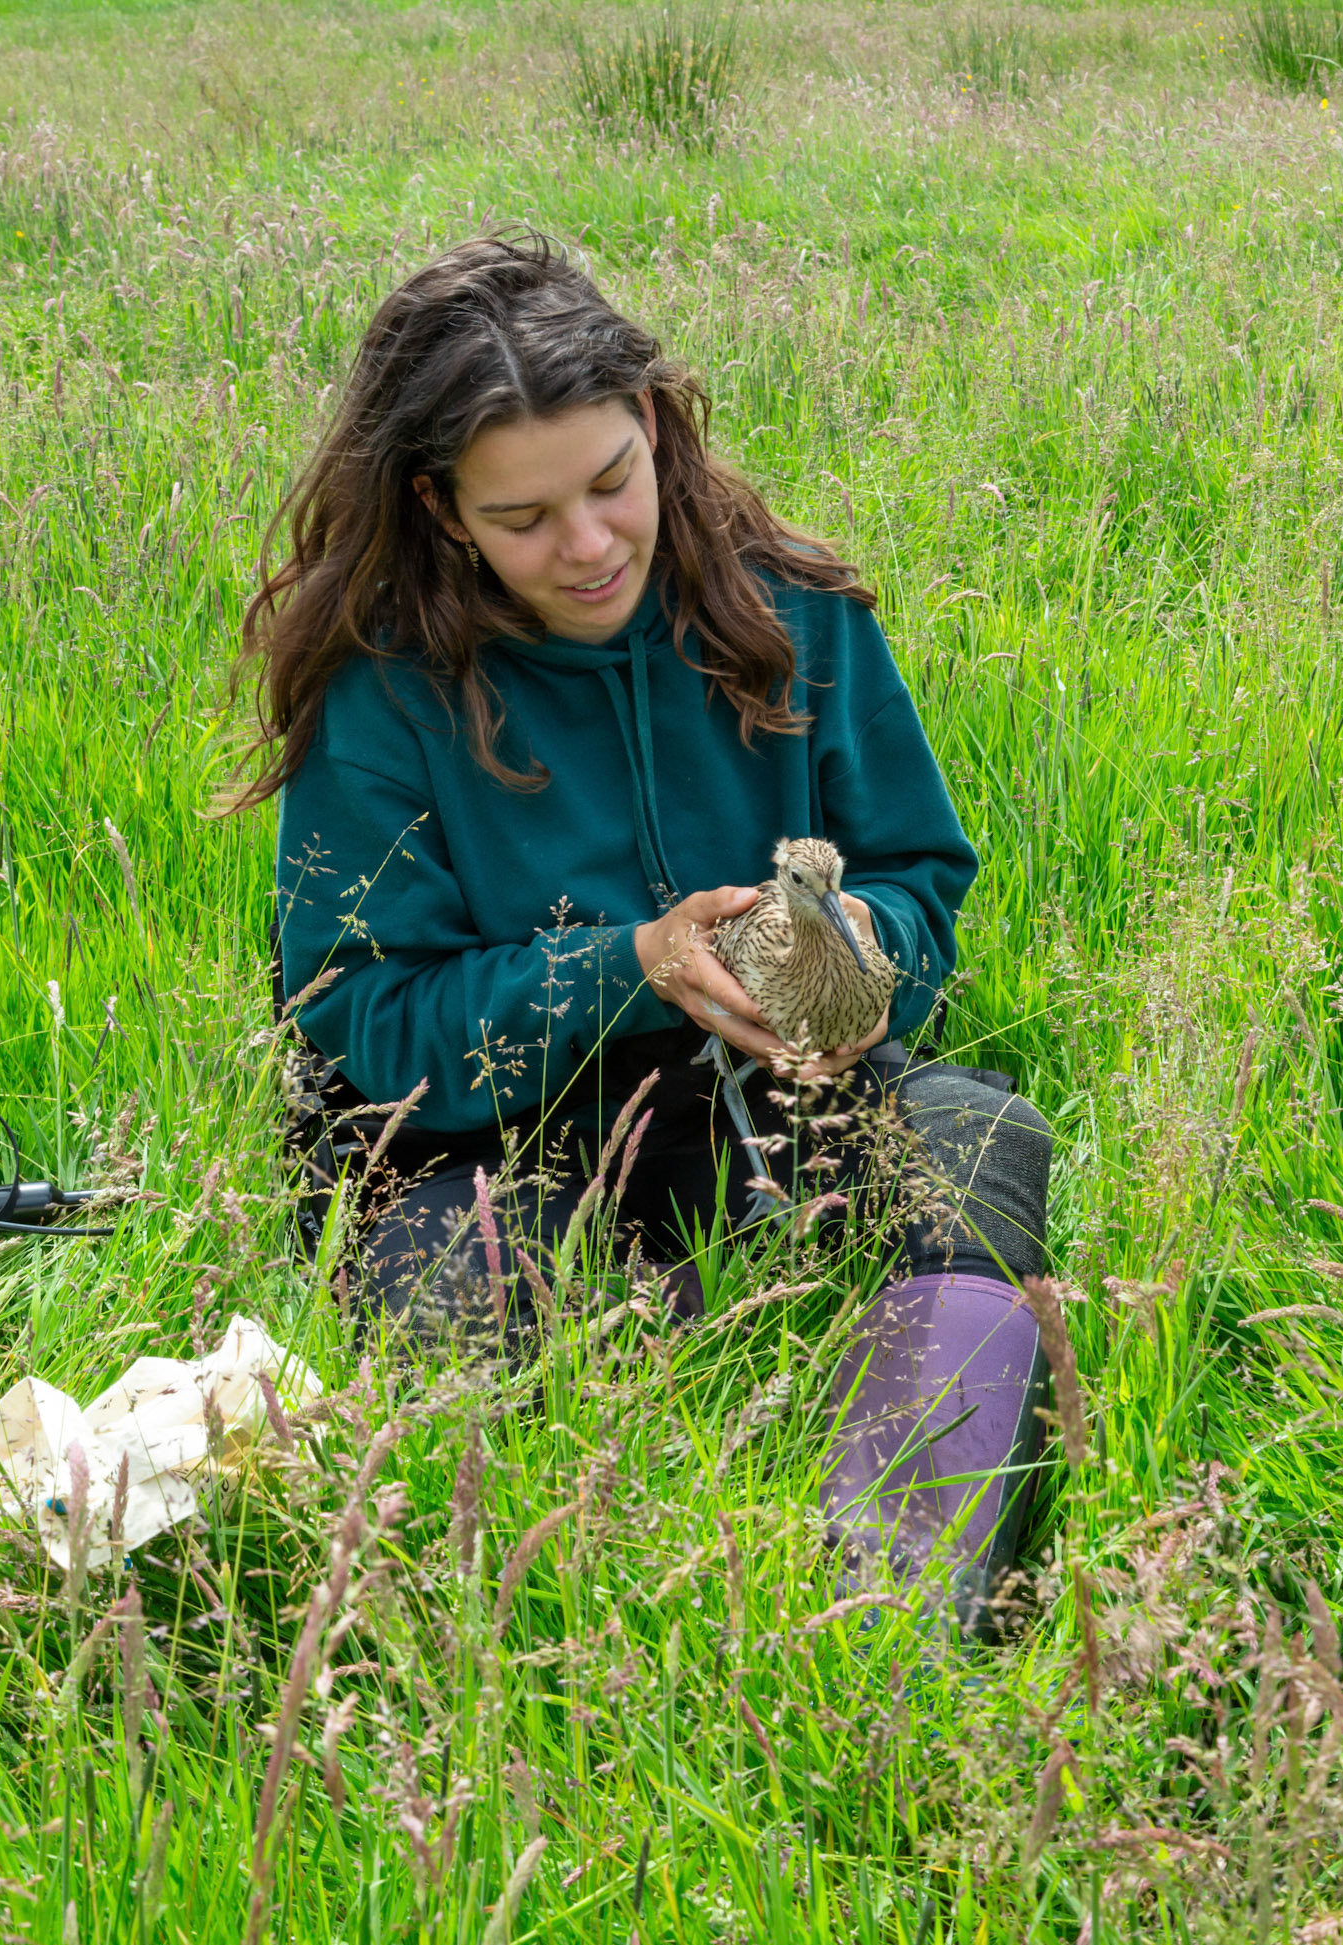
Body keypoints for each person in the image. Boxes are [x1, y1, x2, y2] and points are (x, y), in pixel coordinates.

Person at [234, 232, 1054, 1630]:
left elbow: (923, 873)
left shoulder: (800, 613)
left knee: (979, 1133)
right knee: (446, 1281)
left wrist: (864, 947)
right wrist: (627, 966)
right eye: (524, 518)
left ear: (658, 430)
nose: (590, 544)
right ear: (439, 510)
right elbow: (359, 1019)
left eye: (614, 484)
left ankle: (895, 1614)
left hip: (778, 1108)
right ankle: (535, 1626)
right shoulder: (381, 691)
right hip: (493, 1146)